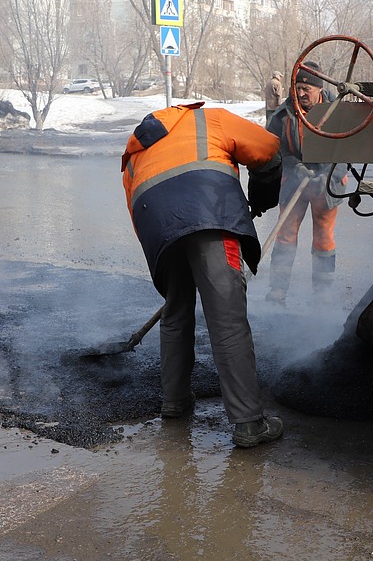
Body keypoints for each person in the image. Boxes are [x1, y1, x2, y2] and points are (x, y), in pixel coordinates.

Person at [121, 101, 285, 448]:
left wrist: (171, 257)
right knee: (226, 318)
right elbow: (269, 149)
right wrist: (263, 196)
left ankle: (175, 401)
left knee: (176, 312)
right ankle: (248, 423)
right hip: (210, 217)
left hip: (159, 231)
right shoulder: (209, 119)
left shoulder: (135, 154)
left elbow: (138, 215)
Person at [265, 62, 347, 304]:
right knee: (285, 235)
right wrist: (294, 166)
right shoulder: (284, 114)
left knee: (323, 236)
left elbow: (347, 149)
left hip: (326, 183)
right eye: (297, 88)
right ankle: (278, 290)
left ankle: (321, 293)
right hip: (294, 181)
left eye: (306, 89)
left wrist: (328, 174)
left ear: (319, 89)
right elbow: (275, 148)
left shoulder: (337, 113)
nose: (300, 94)